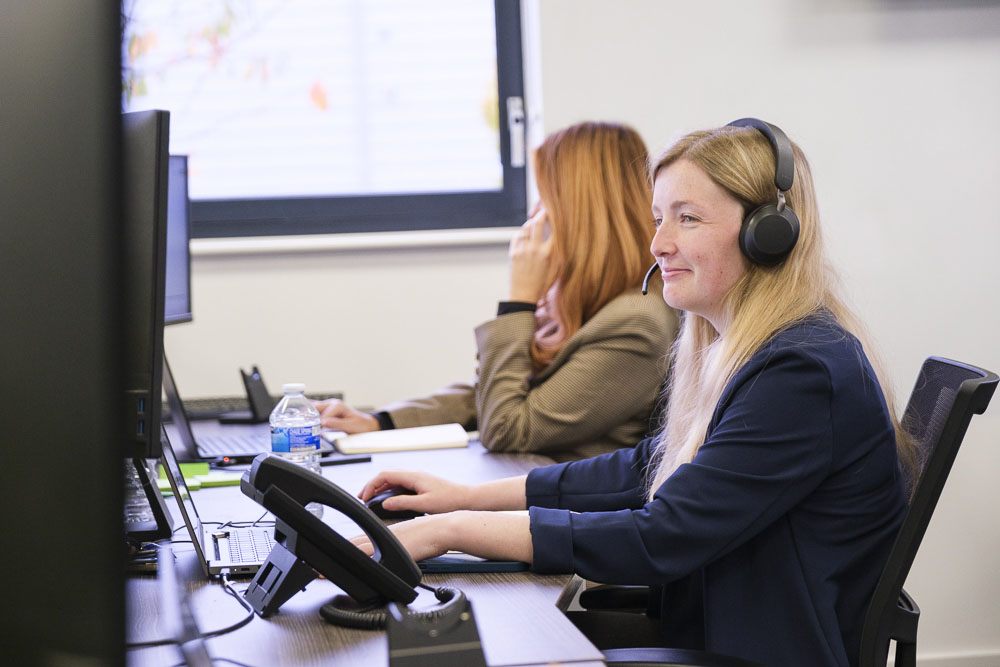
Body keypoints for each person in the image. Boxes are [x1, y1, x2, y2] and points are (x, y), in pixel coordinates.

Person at [350, 120, 916, 666]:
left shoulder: (801, 371)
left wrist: (447, 532)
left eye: (688, 219)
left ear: (767, 236)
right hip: (710, 629)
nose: (659, 243)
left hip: (751, 650)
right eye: (658, 219)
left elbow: (661, 536)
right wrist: (464, 498)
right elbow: (647, 467)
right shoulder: (745, 347)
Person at [316, 122, 678, 461]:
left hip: (563, 509)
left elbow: (506, 427)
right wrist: (380, 422)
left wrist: (518, 302)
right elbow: (490, 393)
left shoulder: (635, 323)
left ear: (578, 212)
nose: (535, 214)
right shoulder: (599, 301)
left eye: (544, 200)